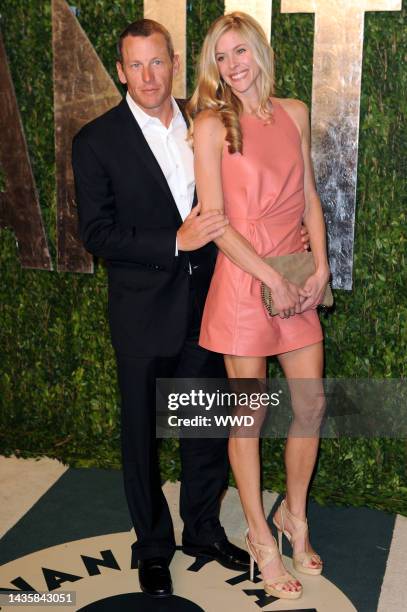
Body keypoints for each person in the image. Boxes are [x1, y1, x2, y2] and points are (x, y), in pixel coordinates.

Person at [71, 19, 252, 598]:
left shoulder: (207, 122)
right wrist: (177, 241)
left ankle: (202, 530)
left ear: (173, 62)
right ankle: (152, 545)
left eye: (158, 63)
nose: (149, 77)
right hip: (142, 313)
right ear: (120, 71)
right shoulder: (96, 140)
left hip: (207, 306)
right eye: (136, 66)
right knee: (142, 438)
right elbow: (98, 233)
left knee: (204, 428)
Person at [186, 12, 330, 601]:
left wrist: (319, 267)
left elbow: (311, 199)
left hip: (296, 280)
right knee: (248, 418)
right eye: (221, 57)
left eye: (240, 51)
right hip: (247, 283)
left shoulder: (294, 113)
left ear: (260, 53)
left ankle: (294, 516)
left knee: (311, 405)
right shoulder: (211, 125)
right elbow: (216, 224)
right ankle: (261, 540)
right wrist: (272, 276)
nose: (232, 66)